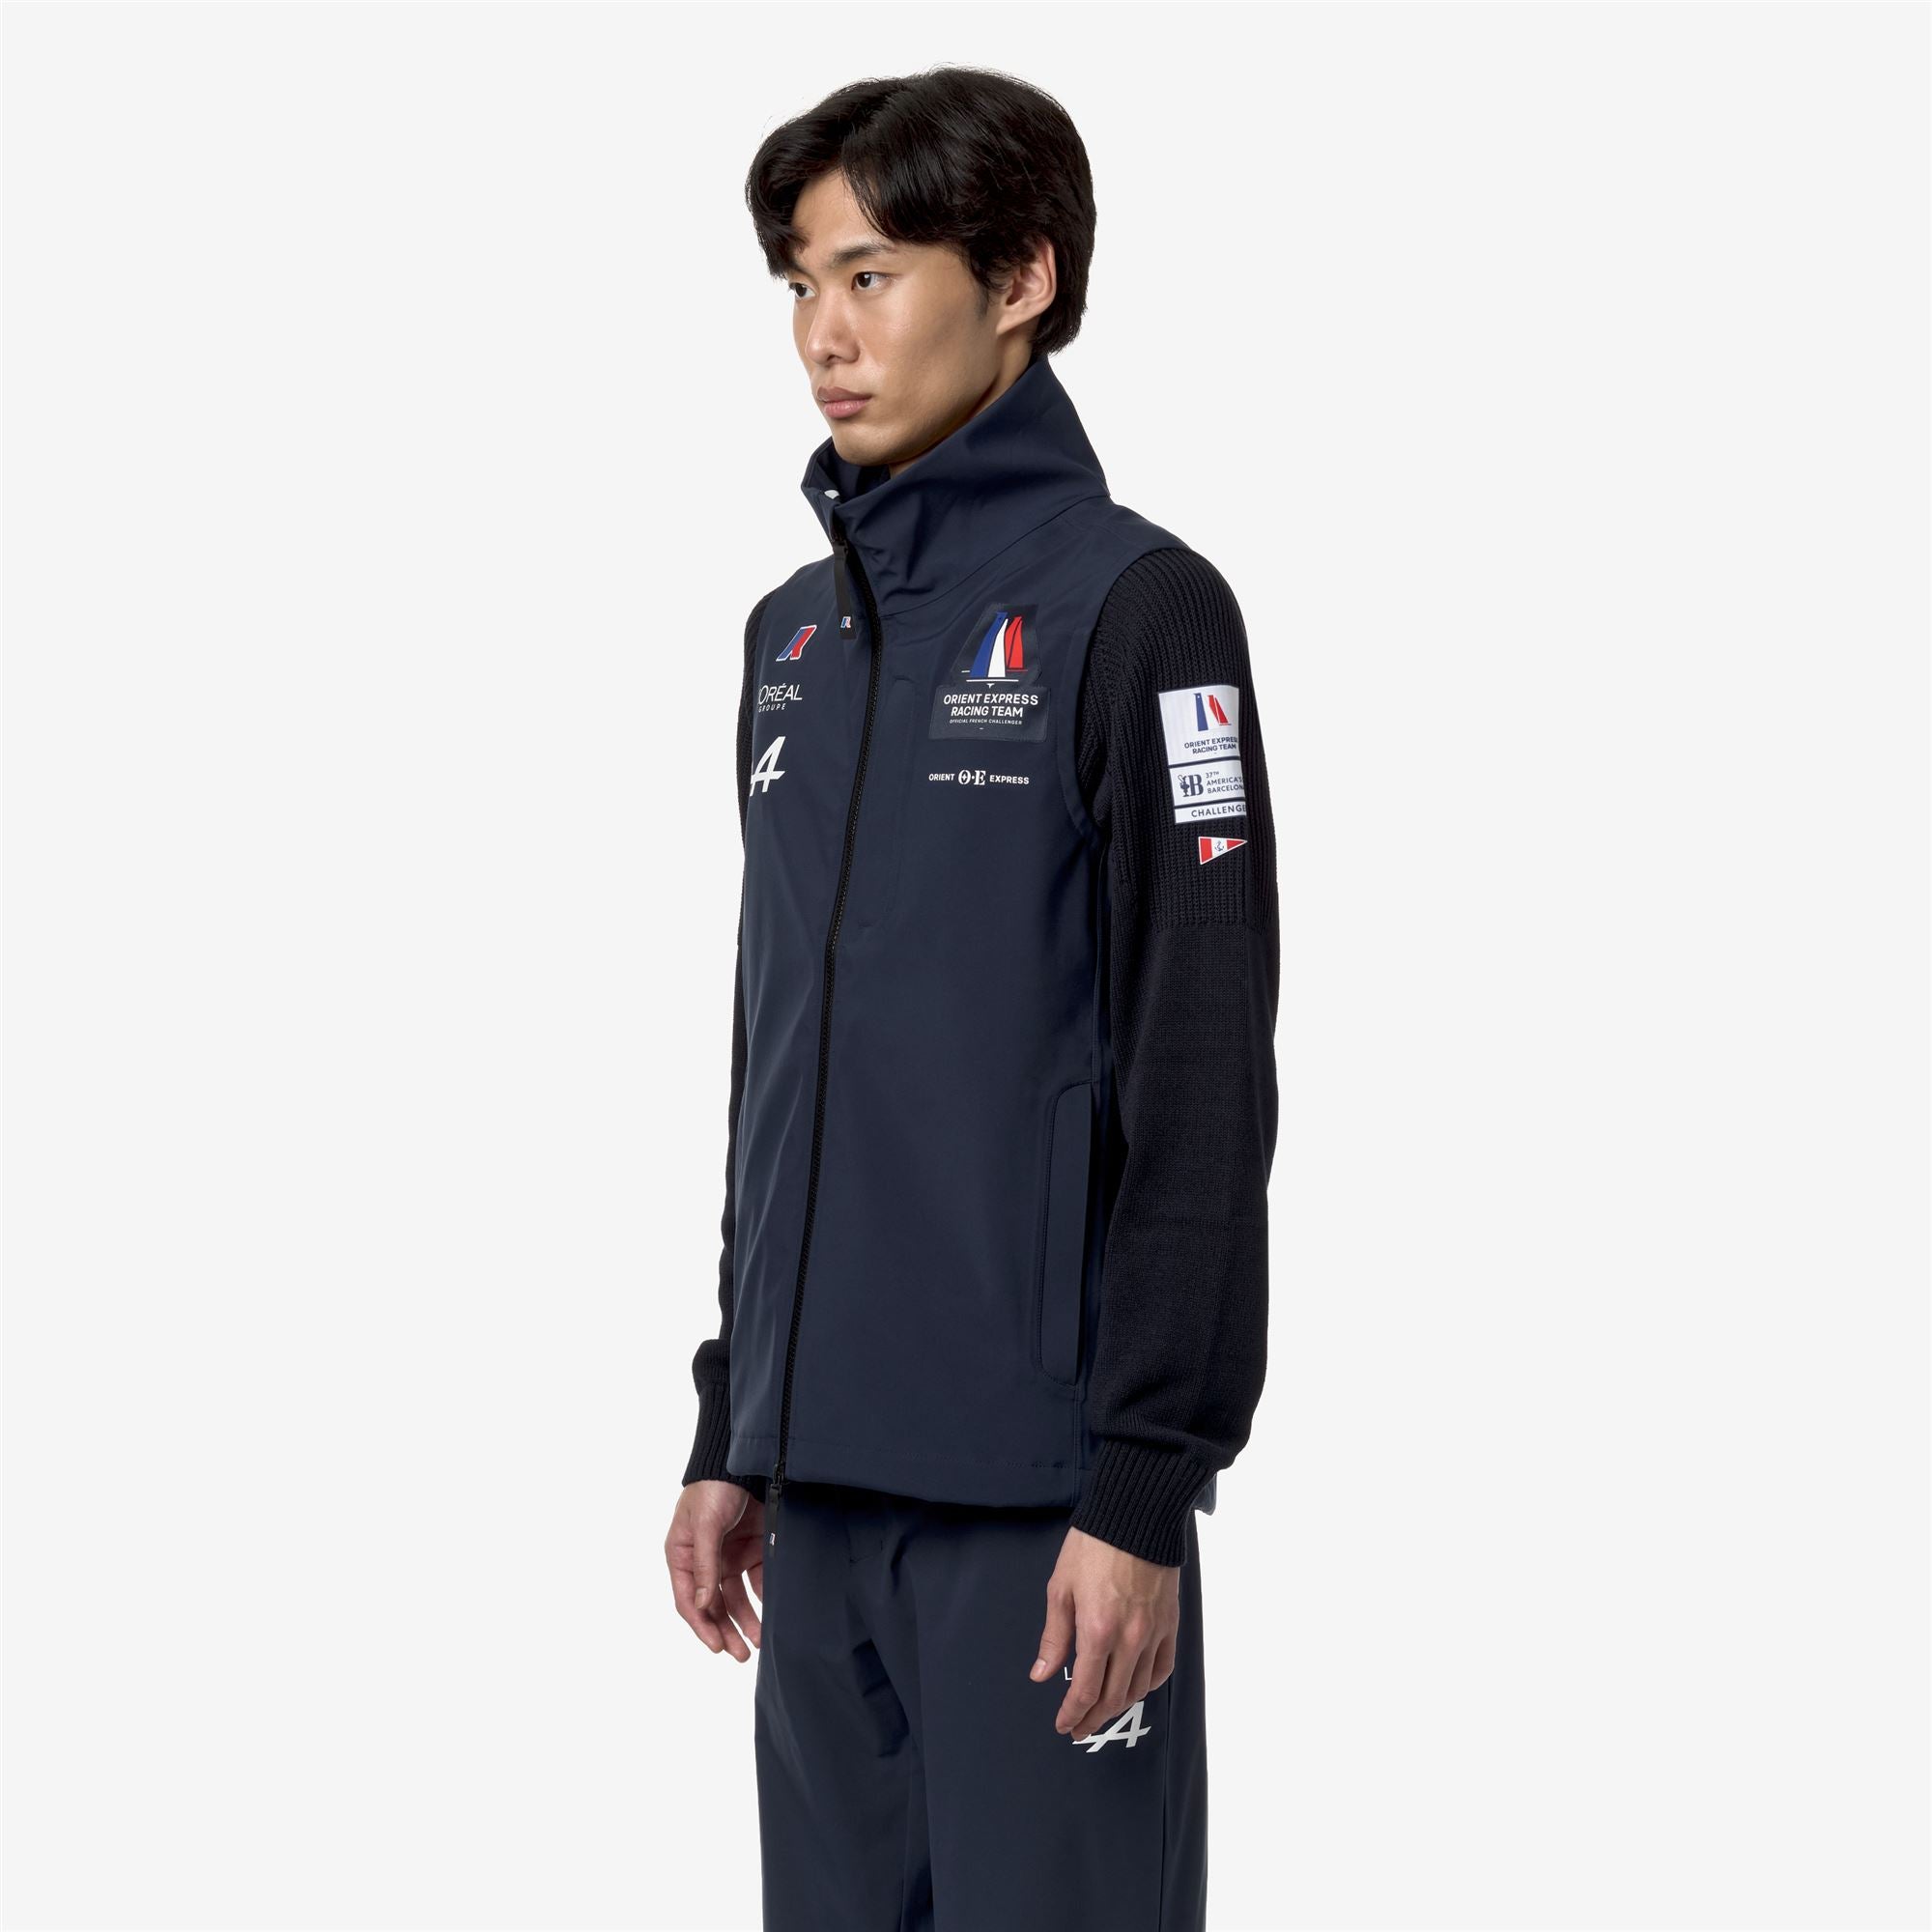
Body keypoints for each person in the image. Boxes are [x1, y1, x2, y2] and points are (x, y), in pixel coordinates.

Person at [664, 66, 1279, 1932]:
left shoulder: (1145, 615)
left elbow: (1201, 1075)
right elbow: (783, 1060)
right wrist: (732, 1423)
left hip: (1044, 1517)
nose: (823, 336)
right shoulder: (791, 639)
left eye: (871, 276)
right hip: (816, 1499)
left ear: (1020, 278)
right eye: (800, 285)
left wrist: (1141, 1485)